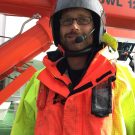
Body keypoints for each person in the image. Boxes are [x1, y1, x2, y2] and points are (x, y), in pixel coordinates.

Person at [11, 0, 135, 135]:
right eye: (67, 21)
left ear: (97, 27)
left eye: (83, 20)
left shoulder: (121, 77)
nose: (74, 26)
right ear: (57, 29)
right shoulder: (40, 81)